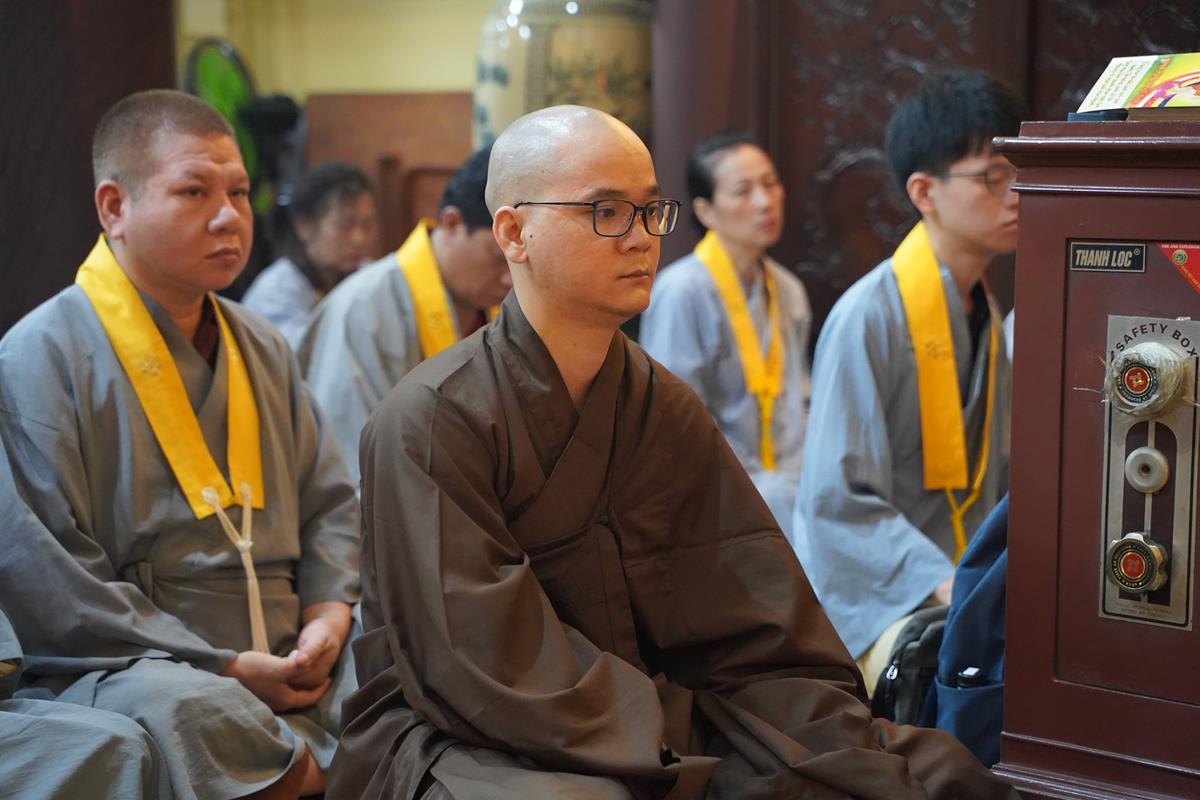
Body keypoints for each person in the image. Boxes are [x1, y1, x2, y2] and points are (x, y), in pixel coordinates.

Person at [327, 104, 1017, 800]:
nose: (640, 239)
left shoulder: (660, 403)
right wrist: (669, 730)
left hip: (659, 710)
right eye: (605, 212)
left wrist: (786, 728)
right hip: (464, 733)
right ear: (513, 233)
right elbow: (475, 659)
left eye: (650, 211)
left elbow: (751, 608)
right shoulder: (430, 420)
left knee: (926, 772)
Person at [0, 89, 360, 799]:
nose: (229, 217)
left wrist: (328, 613)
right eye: (195, 192)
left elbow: (330, 503)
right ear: (114, 207)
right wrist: (224, 665)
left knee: (408, 650)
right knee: (182, 707)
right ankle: (323, 771)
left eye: (239, 192)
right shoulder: (39, 358)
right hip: (142, 663)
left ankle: (297, 769)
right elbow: (53, 580)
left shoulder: (262, 345)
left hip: (294, 646)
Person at [794, 68, 1024, 691]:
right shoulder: (869, 316)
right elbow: (838, 503)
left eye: (1019, 172)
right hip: (882, 599)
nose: (1016, 195)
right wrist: (945, 583)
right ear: (924, 191)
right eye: (993, 177)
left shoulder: (986, 313)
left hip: (961, 580)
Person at [297, 146, 510, 487]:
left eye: (519, 261)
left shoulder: (502, 309)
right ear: (452, 223)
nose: (510, 279)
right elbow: (351, 465)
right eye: (498, 258)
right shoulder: (364, 308)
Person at [640, 132, 811, 540]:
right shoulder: (681, 291)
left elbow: (802, 399)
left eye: (770, 184)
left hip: (794, 483)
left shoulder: (788, 289)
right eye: (743, 191)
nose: (765, 202)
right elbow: (676, 421)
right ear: (706, 210)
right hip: (717, 492)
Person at [242, 161, 377, 348]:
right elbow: (307, 357)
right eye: (345, 225)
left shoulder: (371, 275)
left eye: (367, 225)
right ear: (304, 227)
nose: (359, 238)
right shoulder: (275, 293)